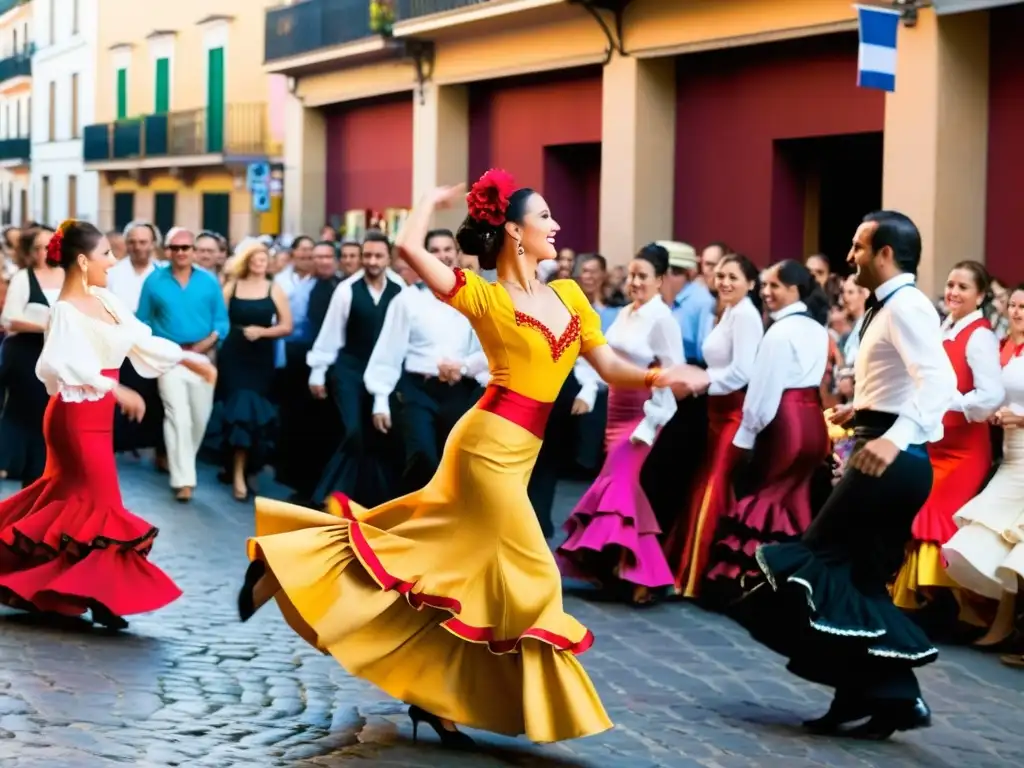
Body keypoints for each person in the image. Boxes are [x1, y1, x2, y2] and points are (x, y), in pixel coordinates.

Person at [238, 169, 694, 747]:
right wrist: (429, 200)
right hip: (482, 448)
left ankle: (423, 690)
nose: (556, 226)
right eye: (546, 217)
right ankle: (520, 699)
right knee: (532, 573)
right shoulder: (484, 295)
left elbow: (607, 368)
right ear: (513, 231)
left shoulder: (572, 297)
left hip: (521, 453)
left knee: (447, 570)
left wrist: (659, 375)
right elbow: (407, 248)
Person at [730, 211, 957, 739]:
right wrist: (863, 407)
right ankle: (875, 699)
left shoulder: (907, 307)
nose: (849, 255)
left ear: (885, 255)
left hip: (891, 462)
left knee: (819, 563)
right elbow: (904, 382)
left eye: (858, 246)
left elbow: (939, 383)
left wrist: (890, 437)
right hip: (887, 451)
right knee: (854, 581)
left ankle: (890, 694)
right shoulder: (891, 305)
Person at [0, 220, 215, 629]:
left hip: (98, 413)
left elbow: (141, 339)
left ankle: (49, 584)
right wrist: (113, 390)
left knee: (62, 502)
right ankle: (102, 597)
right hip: (74, 415)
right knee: (103, 505)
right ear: (82, 261)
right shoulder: (64, 310)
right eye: (105, 255)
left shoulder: (108, 299)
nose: (112, 261)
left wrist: (189, 359)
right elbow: (60, 363)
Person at [557, 244, 681, 604]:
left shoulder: (662, 319)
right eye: (631, 275)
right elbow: (603, 358)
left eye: (643, 276)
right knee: (624, 491)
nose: (635, 282)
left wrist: (650, 423)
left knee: (619, 486)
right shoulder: (626, 313)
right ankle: (623, 569)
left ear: (660, 280)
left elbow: (670, 379)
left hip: (644, 414)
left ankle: (641, 574)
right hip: (614, 410)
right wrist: (590, 392)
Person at [703, 260, 830, 604]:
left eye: (775, 286)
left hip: (786, 422)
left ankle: (748, 579)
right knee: (797, 499)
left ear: (796, 289)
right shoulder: (817, 328)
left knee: (768, 498)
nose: (766, 292)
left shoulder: (779, 332)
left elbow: (762, 393)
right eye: (765, 285)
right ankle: (798, 580)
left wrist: (745, 436)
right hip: (813, 421)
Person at [891, 260, 1003, 620]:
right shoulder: (944, 328)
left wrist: (950, 399)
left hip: (964, 451)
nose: (953, 292)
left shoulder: (981, 337)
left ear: (981, 295)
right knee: (918, 510)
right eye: (950, 285)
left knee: (937, 517)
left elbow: (989, 397)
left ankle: (951, 609)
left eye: (963, 287)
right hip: (935, 442)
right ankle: (926, 602)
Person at [136, 227, 229, 503]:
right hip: (169, 357)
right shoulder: (154, 281)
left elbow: (221, 321)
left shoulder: (209, 281)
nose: (180, 253)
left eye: (185, 248)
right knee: (178, 416)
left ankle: (183, 465)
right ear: (167, 250)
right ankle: (183, 479)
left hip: (201, 356)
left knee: (199, 418)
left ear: (193, 251)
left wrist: (211, 340)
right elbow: (142, 320)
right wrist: (156, 347)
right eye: (174, 248)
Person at [205, 242, 293, 501]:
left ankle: (246, 467)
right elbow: (219, 320)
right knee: (237, 410)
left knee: (254, 413)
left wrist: (263, 332)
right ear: (246, 261)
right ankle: (237, 473)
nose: (259, 263)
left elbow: (287, 326)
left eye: (264, 259)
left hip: (260, 358)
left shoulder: (274, 289)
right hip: (234, 355)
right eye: (255, 259)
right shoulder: (232, 287)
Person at [0, 227, 62, 486]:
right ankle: (32, 475)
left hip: (60, 356)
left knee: (55, 416)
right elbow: (8, 319)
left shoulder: (71, 276)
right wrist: (46, 326)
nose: (44, 251)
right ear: (31, 251)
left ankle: (48, 474)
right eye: (38, 247)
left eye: (49, 245)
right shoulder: (24, 278)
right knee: (33, 414)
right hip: (27, 355)